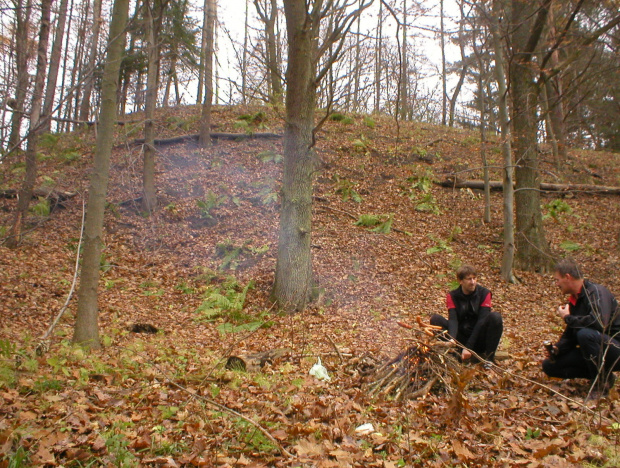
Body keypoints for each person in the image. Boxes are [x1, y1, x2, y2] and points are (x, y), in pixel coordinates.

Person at [542, 258, 620, 399]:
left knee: (585, 335)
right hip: (597, 350)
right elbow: (571, 333)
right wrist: (557, 349)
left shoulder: (597, 293)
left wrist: (568, 318)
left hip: (615, 348)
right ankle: (605, 375)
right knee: (549, 366)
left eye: (557, 279)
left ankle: (601, 385)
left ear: (567, 277)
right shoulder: (575, 300)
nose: (556, 284)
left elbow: (599, 323)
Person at [430, 265, 503, 363]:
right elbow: (453, 320)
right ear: (460, 281)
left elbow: (481, 321)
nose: (473, 282)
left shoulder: (485, 293)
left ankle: (489, 360)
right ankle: (453, 355)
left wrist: (469, 347)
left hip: (479, 339)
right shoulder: (452, 296)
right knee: (435, 319)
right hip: (461, 338)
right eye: (469, 279)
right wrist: (452, 339)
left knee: (496, 317)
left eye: (474, 278)